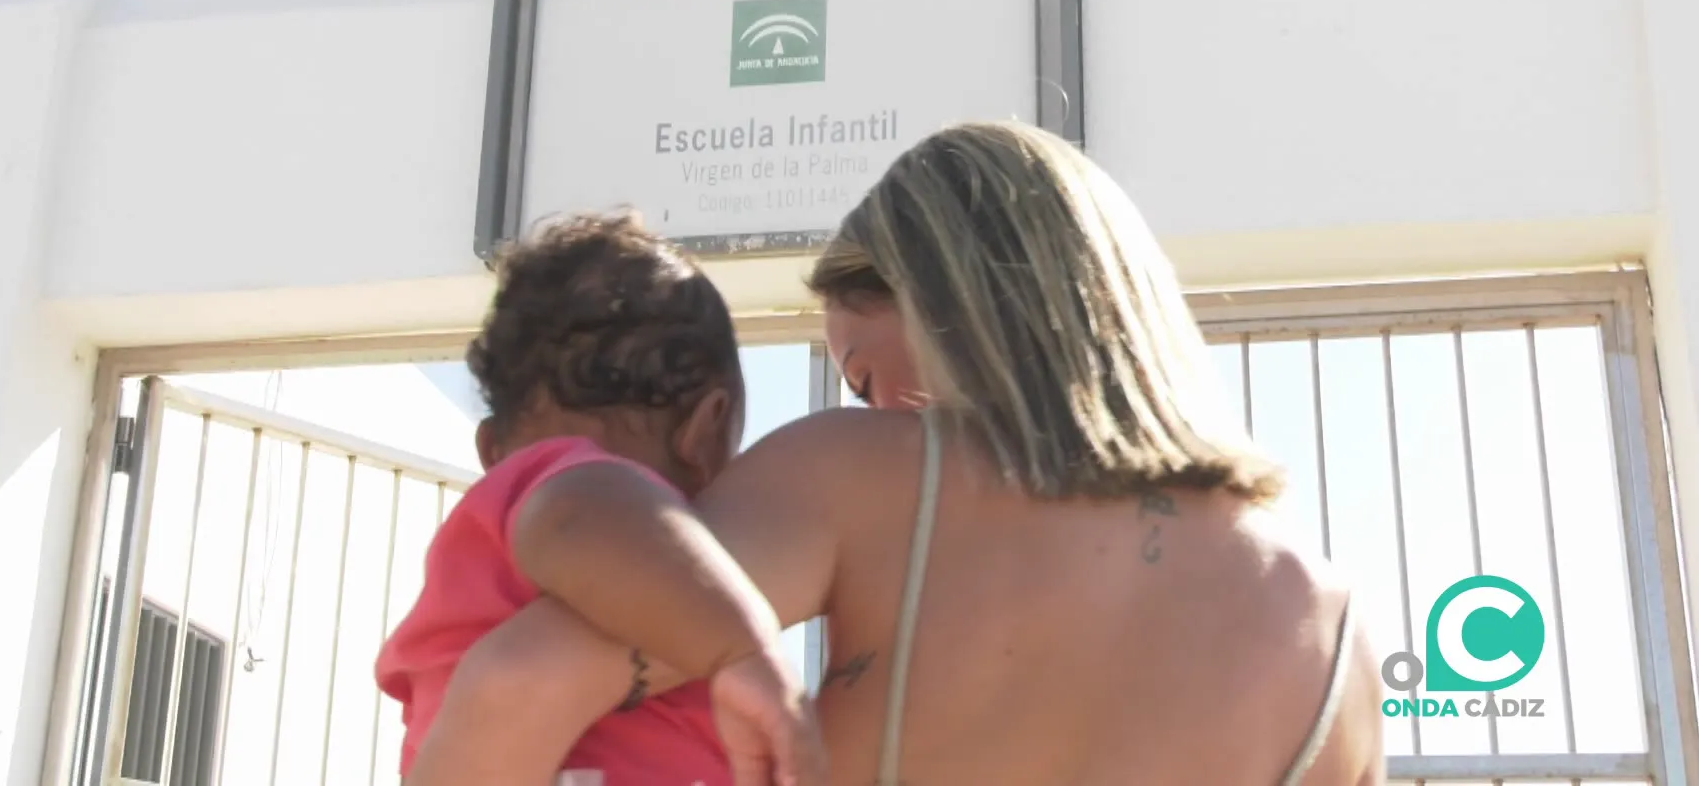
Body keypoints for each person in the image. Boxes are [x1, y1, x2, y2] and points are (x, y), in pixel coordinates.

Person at [406, 120, 1387, 786]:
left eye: (872, 377)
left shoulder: (855, 476)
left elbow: (514, 685)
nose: (881, 409)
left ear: (956, 303)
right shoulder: (1335, 629)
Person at [374, 212, 825, 786]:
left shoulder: (522, 519)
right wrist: (742, 650)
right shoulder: (563, 488)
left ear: (490, 446)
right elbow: (585, 510)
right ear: (706, 433)